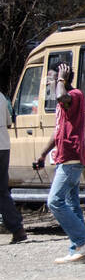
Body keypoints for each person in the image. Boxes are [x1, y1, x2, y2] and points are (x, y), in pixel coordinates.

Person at [34, 63, 85, 263]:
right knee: (72, 205)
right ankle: (78, 251)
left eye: (51, 80)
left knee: (54, 201)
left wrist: (61, 79)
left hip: (72, 158)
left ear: (64, 78)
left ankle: (84, 239)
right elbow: (57, 131)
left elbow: (62, 96)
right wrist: (43, 155)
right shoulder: (62, 105)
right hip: (63, 158)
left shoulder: (74, 96)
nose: (49, 84)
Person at [0, 89, 26, 243]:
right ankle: (17, 229)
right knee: (2, 191)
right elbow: (9, 122)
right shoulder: (2, 97)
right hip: (3, 146)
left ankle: (17, 228)